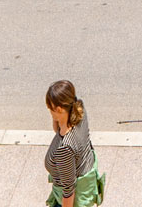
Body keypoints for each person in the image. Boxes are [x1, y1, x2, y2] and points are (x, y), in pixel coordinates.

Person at [43, 79, 102, 207]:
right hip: (87, 181)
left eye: (50, 109)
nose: (50, 112)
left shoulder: (65, 148)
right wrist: (58, 117)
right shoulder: (79, 111)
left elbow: (69, 190)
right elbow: (58, 130)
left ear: (59, 109)